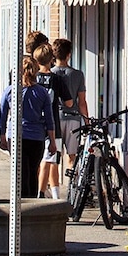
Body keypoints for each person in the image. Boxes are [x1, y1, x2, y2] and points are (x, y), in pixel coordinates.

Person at [0, 56, 57, 198]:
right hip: (36, 137)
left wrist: (2, 137)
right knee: (32, 171)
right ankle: (31, 202)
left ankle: (20, 203)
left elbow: (3, 115)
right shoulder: (42, 92)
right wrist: (53, 142)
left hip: (16, 136)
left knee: (20, 172)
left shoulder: (10, 91)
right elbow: (49, 119)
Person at [33, 42, 73, 199]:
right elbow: (68, 102)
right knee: (49, 161)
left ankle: (44, 191)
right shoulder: (56, 79)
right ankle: (41, 192)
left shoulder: (33, 78)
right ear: (52, 59)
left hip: (35, 126)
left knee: (38, 160)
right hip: (52, 125)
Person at [51, 38, 89, 176]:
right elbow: (82, 102)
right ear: (69, 55)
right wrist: (87, 122)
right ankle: (73, 189)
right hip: (73, 119)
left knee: (54, 158)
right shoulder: (78, 74)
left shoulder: (50, 74)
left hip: (55, 119)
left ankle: (53, 189)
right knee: (72, 156)